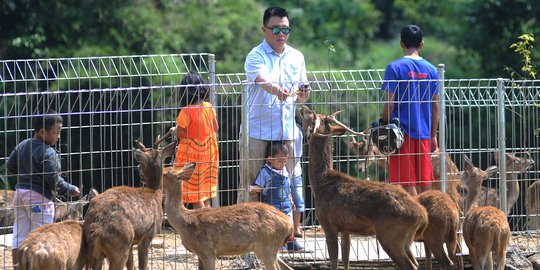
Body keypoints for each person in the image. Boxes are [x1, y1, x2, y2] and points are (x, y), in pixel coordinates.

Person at [239, 6, 310, 203]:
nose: (281, 34)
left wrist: (304, 93)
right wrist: (278, 91)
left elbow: (301, 96)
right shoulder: (256, 55)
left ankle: (288, 229)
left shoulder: (297, 57)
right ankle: (248, 231)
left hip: (286, 131)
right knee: (252, 186)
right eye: (276, 29)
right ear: (264, 30)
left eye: (285, 30)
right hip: (257, 131)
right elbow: (261, 80)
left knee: (288, 183)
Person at [6, 110, 80, 268]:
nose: (58, 136)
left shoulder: (23, 145)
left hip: (20, 194)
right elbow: (53, 180)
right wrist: (71, 189)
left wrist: (26, 174)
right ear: (42, 132)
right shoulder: (48, 152)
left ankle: (18, 267)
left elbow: (10, 166)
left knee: (19, 235)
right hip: (39, 197)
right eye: (56, 132)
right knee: (42, 237)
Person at [379, 24, 439, 196]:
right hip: (424, 133)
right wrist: (433, 135)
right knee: (424, 181)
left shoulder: (394, 68)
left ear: (401, 44)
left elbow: (389, 104)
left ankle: (417, 218)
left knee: (405, 182)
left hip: (401, 134)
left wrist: (382, 123)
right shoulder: (432, 70)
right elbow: (435, 106)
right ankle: (427, 217)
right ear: (421, 44)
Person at [172, 71, 219, 209]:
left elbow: (179, 133)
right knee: (205, 189)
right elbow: (216, 127)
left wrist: (174, 130)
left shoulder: (186, 111)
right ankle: (210, 217)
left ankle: (202, 224)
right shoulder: (209, 107)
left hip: (191, 154)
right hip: (209, 152)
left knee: (193, 190)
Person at [249, 141, 304, 251]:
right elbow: (260, 187)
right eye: (280, 161)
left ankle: (291, 242)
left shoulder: (285, 171)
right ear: (269, 159)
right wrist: (252, 189)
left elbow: (287, 187)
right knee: (275, 225)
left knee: (289, 223)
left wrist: (291, 199)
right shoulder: (266, 172)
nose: (283, 163)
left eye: (285, 161)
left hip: (286, 204)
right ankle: (278, 244)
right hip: (272, 206)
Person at [291, 123, 305, 237]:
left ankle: (296, 227)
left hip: (296, 172)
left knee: (298, 202)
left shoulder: (299, 129)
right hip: (282, 172)